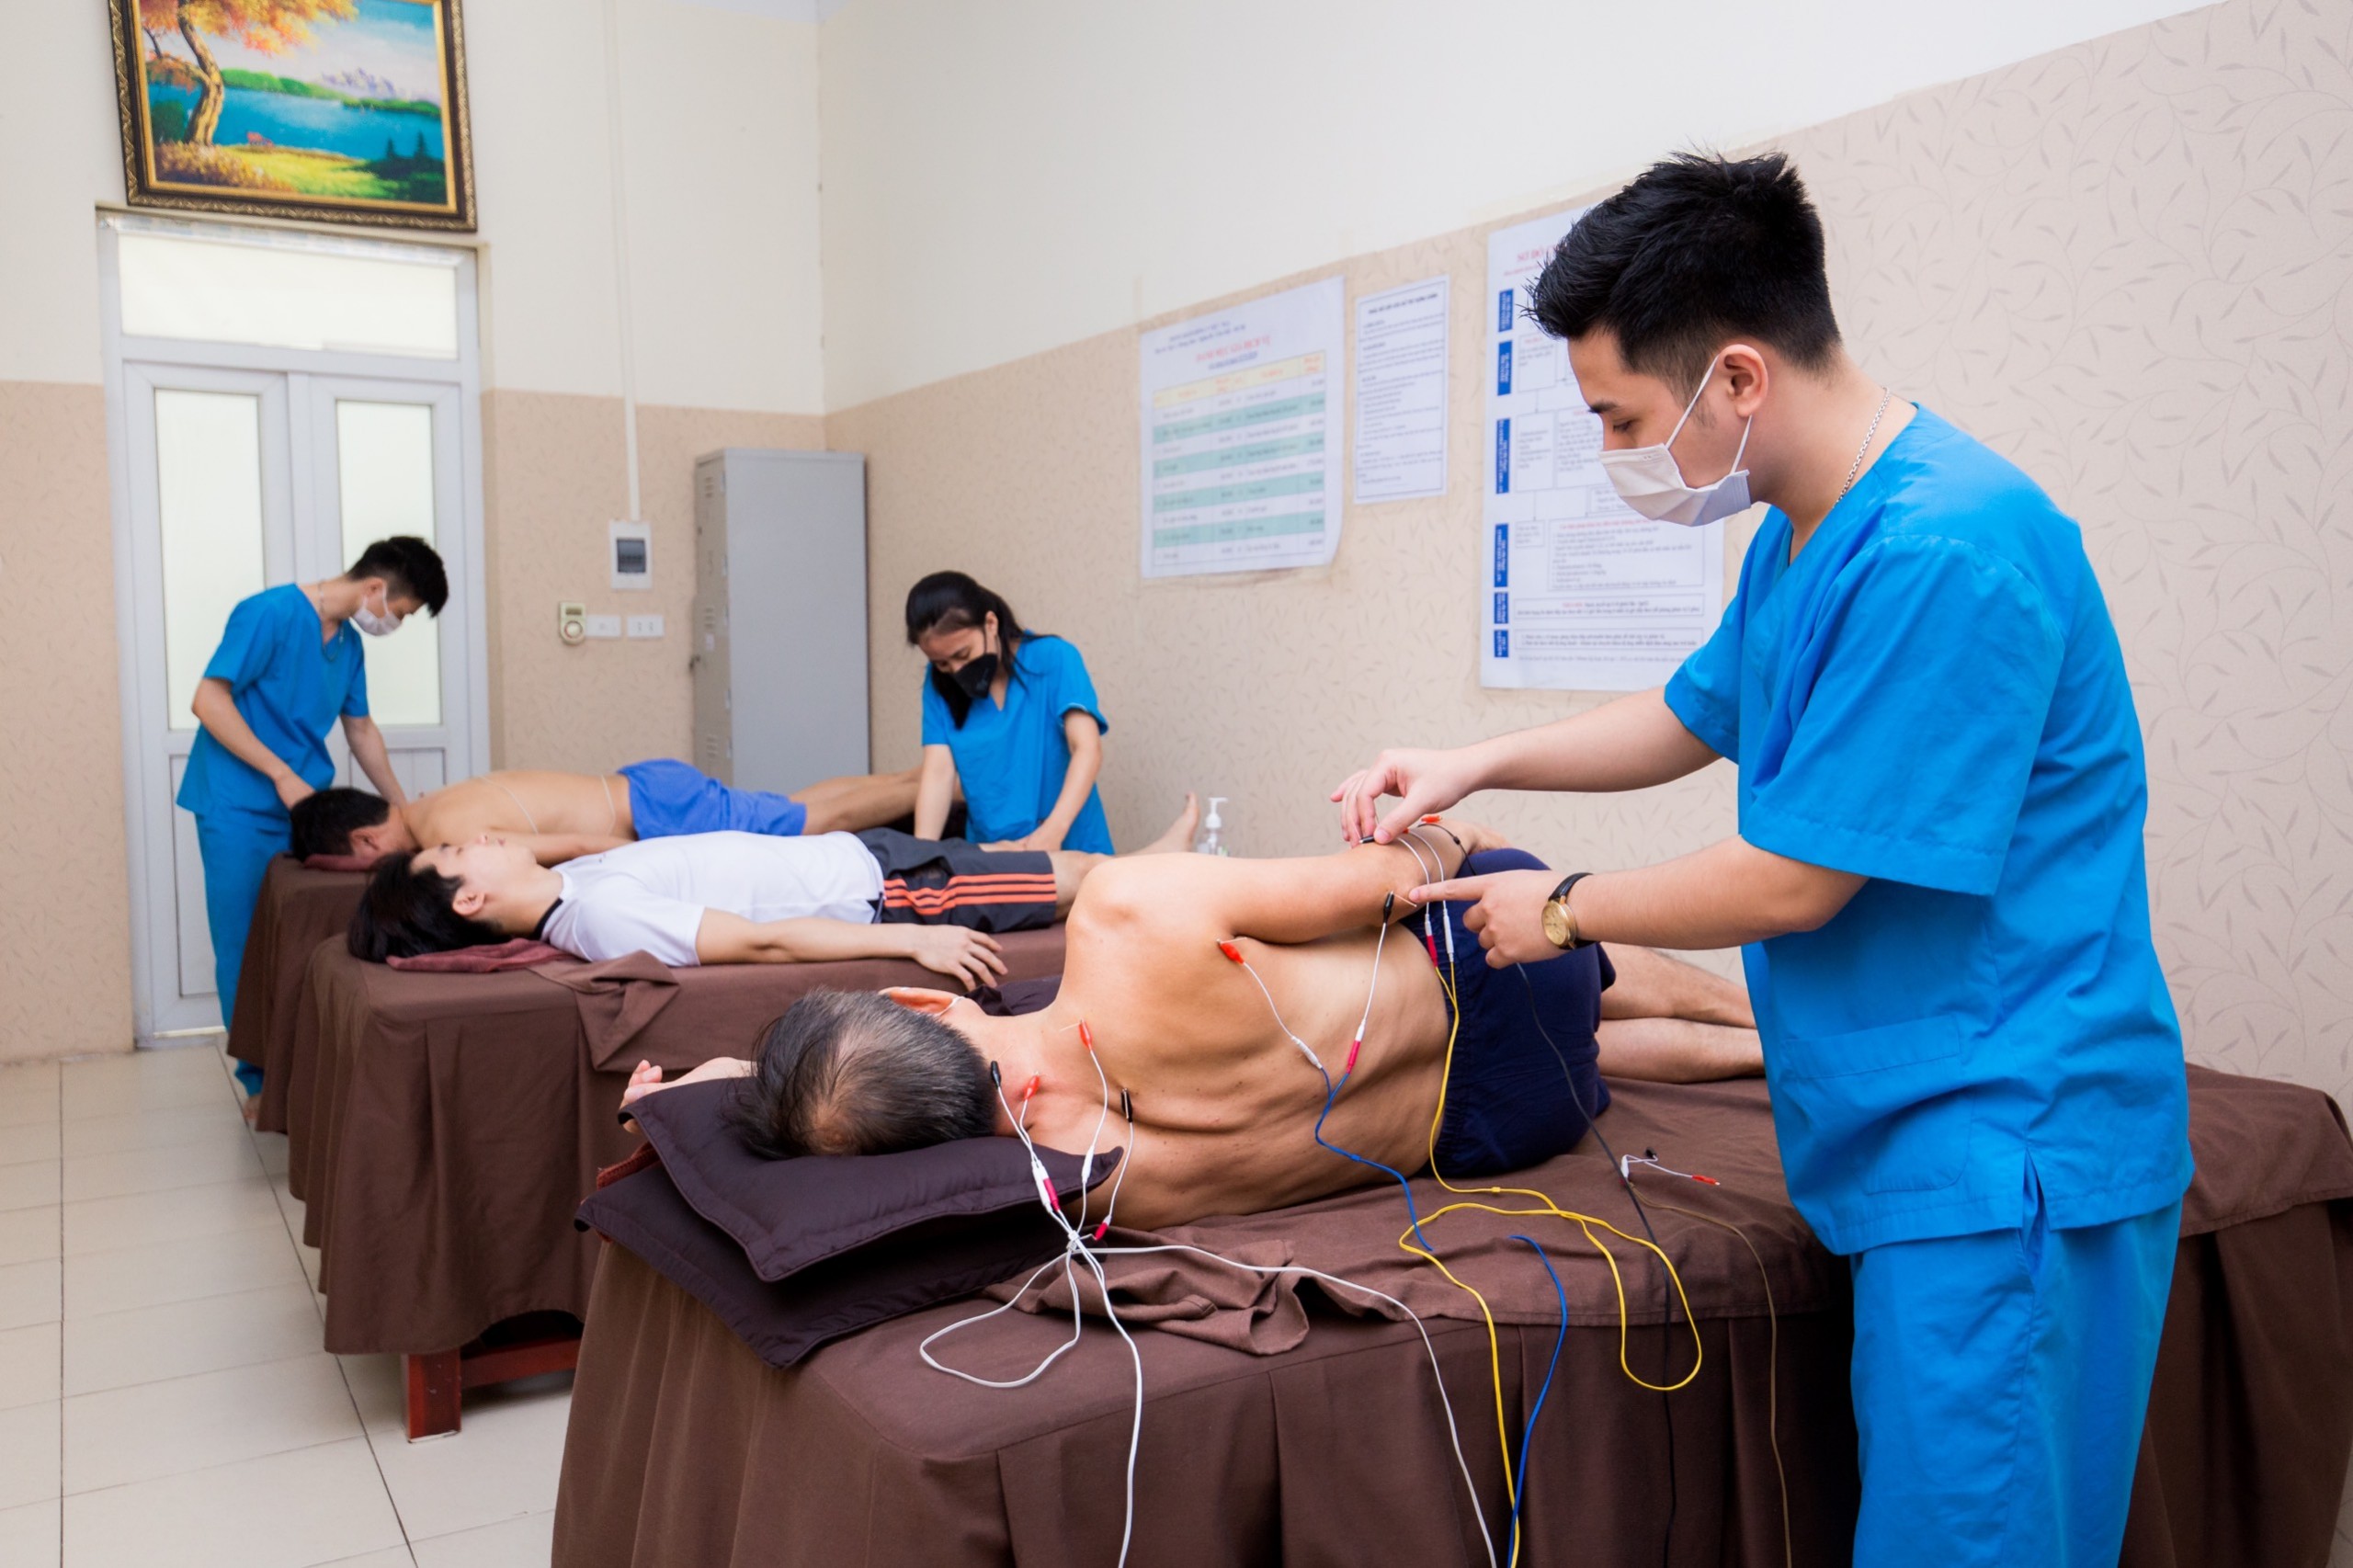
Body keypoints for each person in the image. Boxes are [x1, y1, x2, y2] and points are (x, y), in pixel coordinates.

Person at [1332, 153, 2189, 1567]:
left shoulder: (1945, 549)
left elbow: (1796, 879)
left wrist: (1562, 909)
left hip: (2009, 1144)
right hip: (1907, 1122)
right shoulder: (1805, 536)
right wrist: (1472, 761)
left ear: (1737, 377)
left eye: (1620, 418)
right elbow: (1692, 714)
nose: (1614, 453)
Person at [621, 819, 1760, 1230]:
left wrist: (690, 1099)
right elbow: (1389, 881)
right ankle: (1767, 1023)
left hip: (1506, 1124)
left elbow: (797, 1127)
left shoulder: (1078, 1179)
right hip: (1487, 969)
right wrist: (1449, 837)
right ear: (922, 1000)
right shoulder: (1126, 917)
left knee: (1578, 1043)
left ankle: (1760, 1048)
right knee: (1541, 941)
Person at [349, 798, 1201, 982]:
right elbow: (759, 940)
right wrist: (913, 938)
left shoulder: (570, 884)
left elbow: (560, 841)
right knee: (1074, 881)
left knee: (1051, 863)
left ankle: (1164, 866)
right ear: (468, 902)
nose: (481, 837)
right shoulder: (601, 915)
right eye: (460, 851)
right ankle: (1186, 881)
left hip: (858, 856)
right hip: (886, 894)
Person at [179, 536, 447, 1096]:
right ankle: (259, 1082)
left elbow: (361, 729)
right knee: (244, 943)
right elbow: (208, 700)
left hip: (306, 813)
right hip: (237, 804)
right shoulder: (269, 613)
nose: (394, 624)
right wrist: (280, 774)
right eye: (400, 613)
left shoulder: (347, 646)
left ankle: (303, 1071)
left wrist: (404, 812)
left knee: (308, 937)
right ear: (375, 587)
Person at [290, 759, 928, 869]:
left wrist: (657, 862)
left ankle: (939, 786)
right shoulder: (431, 802)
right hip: (644, 787)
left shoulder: (446, 833)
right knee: (794, 807)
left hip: (656, 812)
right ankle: (923, 778)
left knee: (809, 821)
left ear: (365, 841)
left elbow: (573, 846)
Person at [907, 573, 1115, 853]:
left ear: (990, 624)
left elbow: (1087, 749)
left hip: (1070, 845)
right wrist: (921, 856)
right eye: (942, 663)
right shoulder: (939, 684)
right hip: (994, 853)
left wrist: (1053, 831)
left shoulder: (1054, 658)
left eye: (963, 654)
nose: (955, 670)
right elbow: (938, 774)